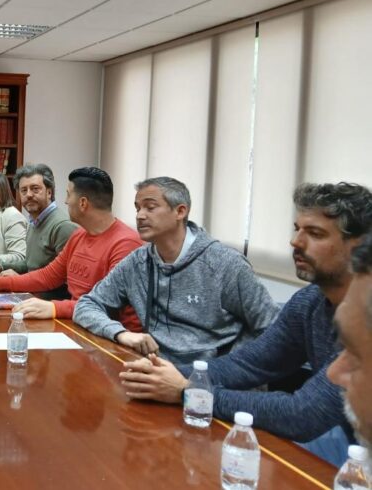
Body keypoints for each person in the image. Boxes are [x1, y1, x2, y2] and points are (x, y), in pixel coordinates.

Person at [120, 183, 371, 465]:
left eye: (314, 233)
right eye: (297, 229)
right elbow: (251, 363)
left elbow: (303, 414)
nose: (295, 241)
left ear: (359, 247)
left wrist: (188, 392)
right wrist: (162, 374)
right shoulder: (311, 300)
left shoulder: (364, 316)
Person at [73, 176, 279, 364]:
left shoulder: (225, 264)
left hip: (210, 380)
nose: (140, 216)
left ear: (180, 211)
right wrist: (121, 334)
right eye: (137, 208)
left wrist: (228, 368)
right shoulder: (137, 262)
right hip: (155, 369)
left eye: (150, 207)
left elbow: (272, 328)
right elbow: (87, 305)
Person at [0, 167, 143, 324]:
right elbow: (48, 275)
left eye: (68, 195)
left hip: (111, 337)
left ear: (82, 203)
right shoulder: (79, 236)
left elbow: (107, 305)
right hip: (78, 323)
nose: (65, 202)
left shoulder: (125, 244)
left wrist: (53, 308)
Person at [0, 164, 79, 301]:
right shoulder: (34, 222)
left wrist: (19, 280)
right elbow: (31, 264)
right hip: (31, 298)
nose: (29, 195)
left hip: (49, 307)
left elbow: (65, 281)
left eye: (35, 189)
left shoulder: (62, 226)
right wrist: (0, 266)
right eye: (23, 190)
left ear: (49, 192)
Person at [329, 232, 372, 450]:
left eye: (354, 354)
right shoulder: (307, 302)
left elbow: (304, 411)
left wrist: (211, 393)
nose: (333, 373)